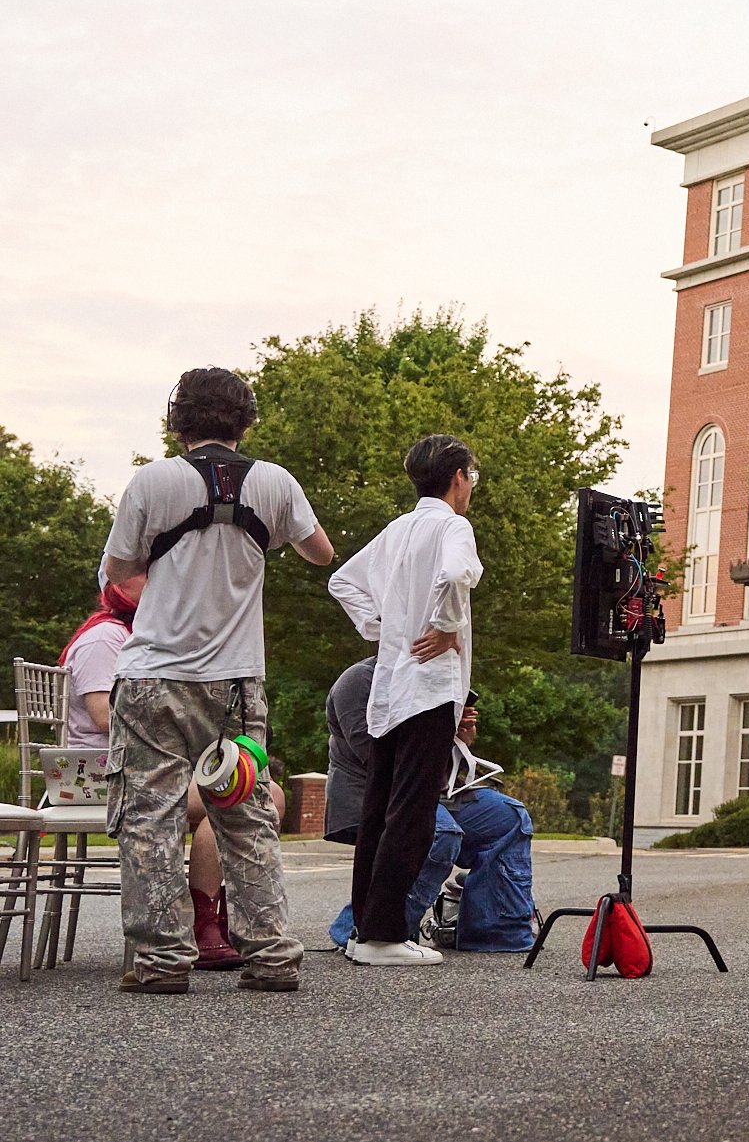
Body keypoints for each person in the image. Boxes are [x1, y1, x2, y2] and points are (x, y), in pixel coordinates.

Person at [99, 366, 333, 994]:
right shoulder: (275, 482)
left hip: (155, 678)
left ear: (176, 420)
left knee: (151, 815)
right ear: (246, 420)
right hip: (237, 685)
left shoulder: (153, 481)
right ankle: (273, 955)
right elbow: (321, 551)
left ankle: (160, 962)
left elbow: (118, 570)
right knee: (246, 813)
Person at [325, 433, 484, 968]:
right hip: (429, 686)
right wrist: (442, 626)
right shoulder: (452, 526)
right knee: (413, 812)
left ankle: (365, 929)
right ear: (458, 477)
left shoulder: (396, 530)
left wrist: (382, 628)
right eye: (471, 477)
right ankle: (384, 935)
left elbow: (342, 582)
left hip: (389, 686)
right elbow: (460, 572)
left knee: (380, 811)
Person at [60, 570, 246, 968]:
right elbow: (101, 717)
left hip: (148, 767)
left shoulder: (143, 640)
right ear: (116, 585)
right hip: (104, 774)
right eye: (146, 576)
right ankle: (204, 925)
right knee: (227, 797)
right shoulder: (104, 638)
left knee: (254, 790)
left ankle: (216, 916)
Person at [323, 656, 538, 953]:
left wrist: (455, 738)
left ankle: (493, 930)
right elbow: (376, 760)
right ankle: (371, 931)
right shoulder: (359, 680)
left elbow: (437, 771)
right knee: (440, 831)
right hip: (369, 795)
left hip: (431, 792)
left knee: (508, 816)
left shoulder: (435, 675)